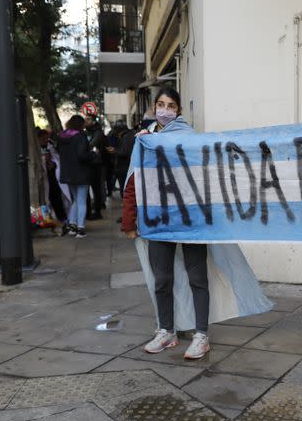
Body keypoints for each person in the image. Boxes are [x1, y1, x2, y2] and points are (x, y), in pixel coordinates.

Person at [121, 87, 212, 360]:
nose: (165, 110)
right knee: (162, 279)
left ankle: (201, 336)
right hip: (159, 220)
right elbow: (133, 182)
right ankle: (166, 331)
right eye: (160, 104)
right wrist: (129, 221)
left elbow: (205, 176)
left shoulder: (191, 138)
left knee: (198, 278)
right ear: (153, 107)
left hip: (191, 219)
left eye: (171, 105)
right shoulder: (145, 140)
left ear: (179, 110)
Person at [58, 115, 95, 238]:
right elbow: (82, 155)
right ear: (80, 125)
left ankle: (72, 226)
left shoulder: (61, 136)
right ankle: (80, 228)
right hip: (81, 173)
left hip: (68, 173)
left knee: (75, 200)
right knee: (81, 200)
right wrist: (93, 154)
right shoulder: (80, 137)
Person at [38, 129, 70, 226]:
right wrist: (44, 160)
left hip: (53, 177)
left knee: (57, 197)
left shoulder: (50, 146)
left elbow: (57, 159)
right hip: (43, 178)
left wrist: (53, 163)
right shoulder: (36, 148)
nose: (45, 140)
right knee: (46, 198)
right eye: (43, 138)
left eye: (46, 138)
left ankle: (62, 218)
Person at [84, 115, 107, 220]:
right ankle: (89, 211)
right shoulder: (87, 132)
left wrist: (82, 146)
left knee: (96, 188)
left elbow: (91, 144)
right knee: (89, 188)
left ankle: (97, 211)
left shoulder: (98, 132)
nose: (86, 121)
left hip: (96, 163)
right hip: (89, 162)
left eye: (88, 119)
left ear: (94, 121)